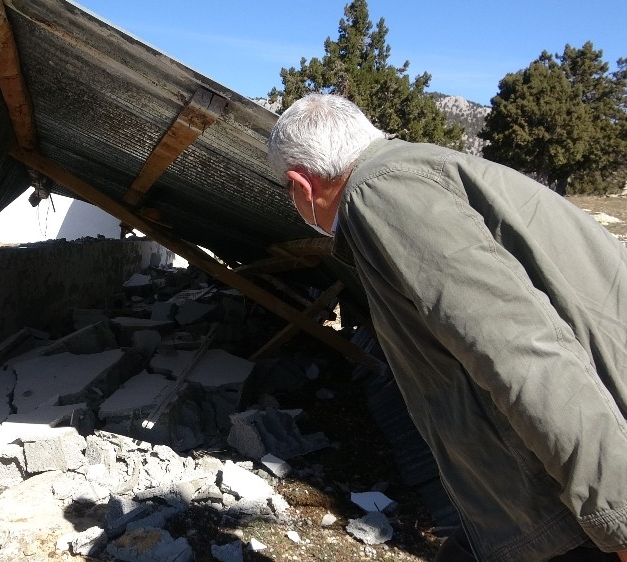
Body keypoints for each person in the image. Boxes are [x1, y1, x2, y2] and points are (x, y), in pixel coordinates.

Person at [267, 93, 627, 562]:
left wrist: (617, 512)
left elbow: (520, 350)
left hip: (582, 494)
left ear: (300, 184)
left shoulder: (384, 196)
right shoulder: (413, 170)